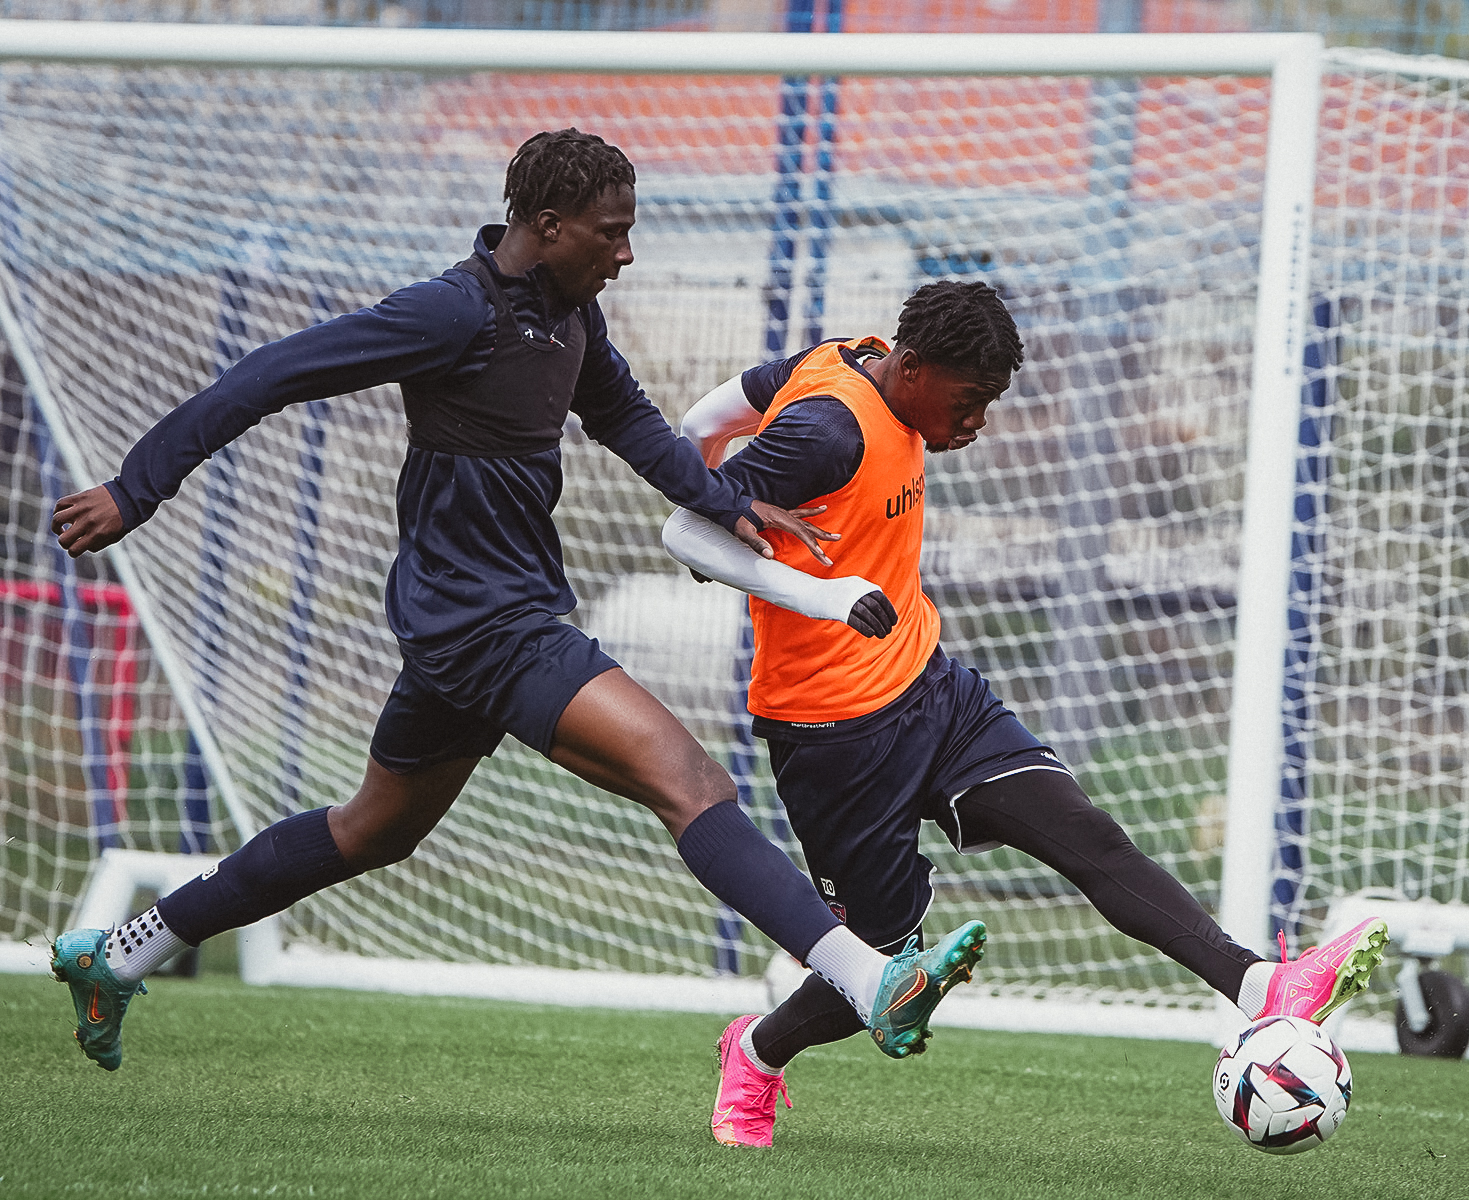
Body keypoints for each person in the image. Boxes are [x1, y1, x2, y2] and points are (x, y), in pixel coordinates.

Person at [46, 129, 987, 1074]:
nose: (627, 253)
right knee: (690, 783)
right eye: (612, 233)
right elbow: (271, 374)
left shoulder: (571, 318)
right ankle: (872, 982)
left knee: (371, 828)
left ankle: (124, 953)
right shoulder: (450, 314)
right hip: (483, 624)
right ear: (548, 225)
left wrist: (730, 502)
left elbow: (627, 420)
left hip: (488, 620)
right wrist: (138, 488)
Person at [661, 280, 1390, 1148]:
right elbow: (687, 534)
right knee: (887, 975)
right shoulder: (828, 429)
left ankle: (1260, 985)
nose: (976, 423)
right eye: (968, 403)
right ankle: (758, 1051)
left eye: (989, 404)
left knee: (1088, 836)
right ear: (916, 367)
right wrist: (816, 593)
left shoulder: (845, 357)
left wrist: (698, 444)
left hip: (931, 689)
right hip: (832, 736)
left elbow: (720, 411)